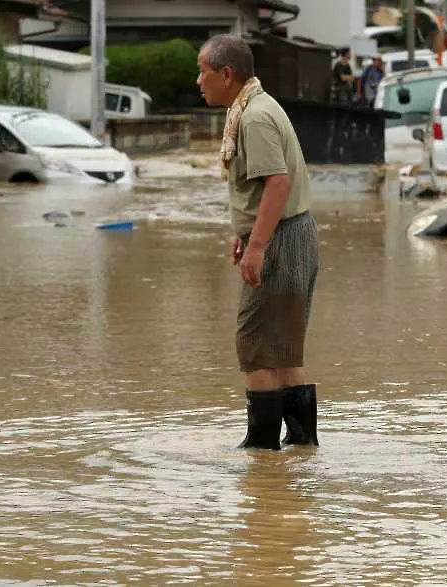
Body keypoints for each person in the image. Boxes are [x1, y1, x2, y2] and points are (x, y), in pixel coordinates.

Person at [196, 34, 320, 451]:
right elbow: (261, 188)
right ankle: (301, 450)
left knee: (255, 346)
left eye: (204, 71)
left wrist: (257, 246)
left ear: (226, 74)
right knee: (282, 351)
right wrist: (245, 234)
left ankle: (262, 452)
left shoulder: (254, 118)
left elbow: (277, 184)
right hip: (290, 234)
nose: (199, 80)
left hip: (282, 240)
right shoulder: (253, 107)